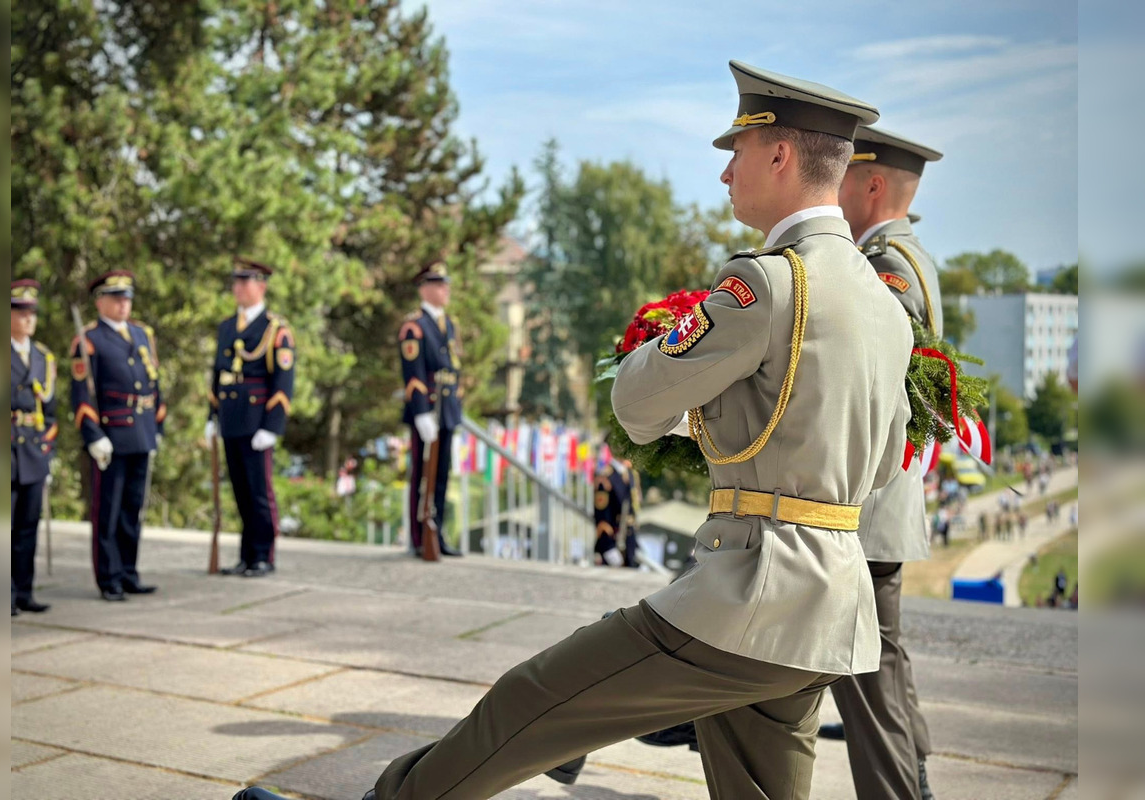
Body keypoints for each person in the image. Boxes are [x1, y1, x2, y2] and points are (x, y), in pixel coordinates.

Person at [234, 61, 913, 800]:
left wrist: (676, 369)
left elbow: (637, 402)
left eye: (737, 152)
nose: (725, 174)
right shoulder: (881, 303)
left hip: (749, 593)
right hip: (830, 608)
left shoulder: (767, 283)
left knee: (529, 703)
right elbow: (881, 465)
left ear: (780, 155)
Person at [823, 124, 945, 799]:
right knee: (882, 659)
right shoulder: (908, 256)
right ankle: (916, 776)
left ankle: (904, 788)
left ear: (870, 184)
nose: (831, 190)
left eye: (842, 176)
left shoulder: (888, 264)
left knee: (864, 668)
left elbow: (869, 374)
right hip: (881, 495)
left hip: (866, 499)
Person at [70, 271, 164, 601]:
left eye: (127, 298)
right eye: (116, 298)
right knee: (107, 511)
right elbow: (82, 395)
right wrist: (93, 435)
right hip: (111, 436)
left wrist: (158, 426)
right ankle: (108, 578)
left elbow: (155, 383)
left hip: (141, 432)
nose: (124, 304)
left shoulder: (142, 335)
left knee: (132, 510)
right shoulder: (89, 340)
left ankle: (128, 572)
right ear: (100, 302)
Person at [205, 258, 295, 577]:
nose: (239, 288)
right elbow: (218, 376)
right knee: (241, 492)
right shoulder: (228, 327)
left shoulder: (275, 329)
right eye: (237, 282)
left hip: (258, 421)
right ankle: (246, 555)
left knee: (260, 492)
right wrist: (211, 416)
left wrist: (272, 426)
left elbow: (283, 383)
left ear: (262, 286)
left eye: (246, 282)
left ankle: (263, 555)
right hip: (231, 420)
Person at [399, 262, 463, 558]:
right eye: (438, 284)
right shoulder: (414, 326)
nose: (445, 289)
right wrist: (421, 411)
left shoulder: (448, 324)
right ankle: (418, 536)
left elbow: (454, 369)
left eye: (445, 283)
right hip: (427, 411)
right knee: (422, 476)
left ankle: (437, 531)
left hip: (447, 409)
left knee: (442, 476)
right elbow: (413, 374)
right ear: (424, 288)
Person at [11, 279, 57, 615]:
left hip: (33, 452)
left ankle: (24, 590)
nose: (29, 318)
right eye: (21, 312)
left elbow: (50, 412)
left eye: (32, 313)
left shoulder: (43, 357)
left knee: (28, 527)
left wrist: (48, 453)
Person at [593, 453, 640, 567]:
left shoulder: (630, 474)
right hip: (613, 540)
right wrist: (608, 546)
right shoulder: (605, 476)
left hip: (629, 539)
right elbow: (602, 519)